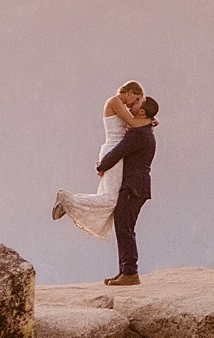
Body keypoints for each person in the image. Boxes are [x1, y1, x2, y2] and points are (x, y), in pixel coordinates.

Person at [49, 82, 154, 241]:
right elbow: (134, 124)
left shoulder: (120, 106)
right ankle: (67, 200)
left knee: (108, 198)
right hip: (113, 151)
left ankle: (69, 202)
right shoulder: (114, 102)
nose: (136, 103)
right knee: (110, 199)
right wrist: (151, 121)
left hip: (114, 151)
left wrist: (152, 120)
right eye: (137, 98)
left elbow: (134, 124)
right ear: (130, 92)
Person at [95, 93, 159, 285]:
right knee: (124, 226)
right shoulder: (144, 131)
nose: (133, 104)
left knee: (124, 227)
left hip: (133, 186)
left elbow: (119, 151)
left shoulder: (137, 134)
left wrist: (101, 165)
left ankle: (130, 272)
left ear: (141, 111)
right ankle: (125, 270)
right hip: (138, 185)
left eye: (138, 102)